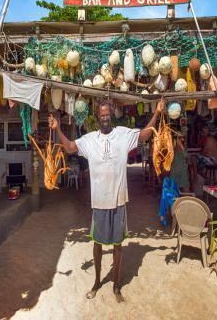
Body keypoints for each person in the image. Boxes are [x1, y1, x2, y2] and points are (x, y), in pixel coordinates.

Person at [48, 97, 165, 302]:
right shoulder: (89, 139)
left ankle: (117, 287)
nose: (104, 118)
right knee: (98, 245)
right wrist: (57, 128)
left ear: (111, 115)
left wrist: (156, 113)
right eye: (101, 115)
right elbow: (68, 147)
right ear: (97, 117)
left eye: (107, 114)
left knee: (118, 246)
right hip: (99, 203)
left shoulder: (122, 134)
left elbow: (145, 135)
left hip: (119, 200)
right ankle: (96, 282)